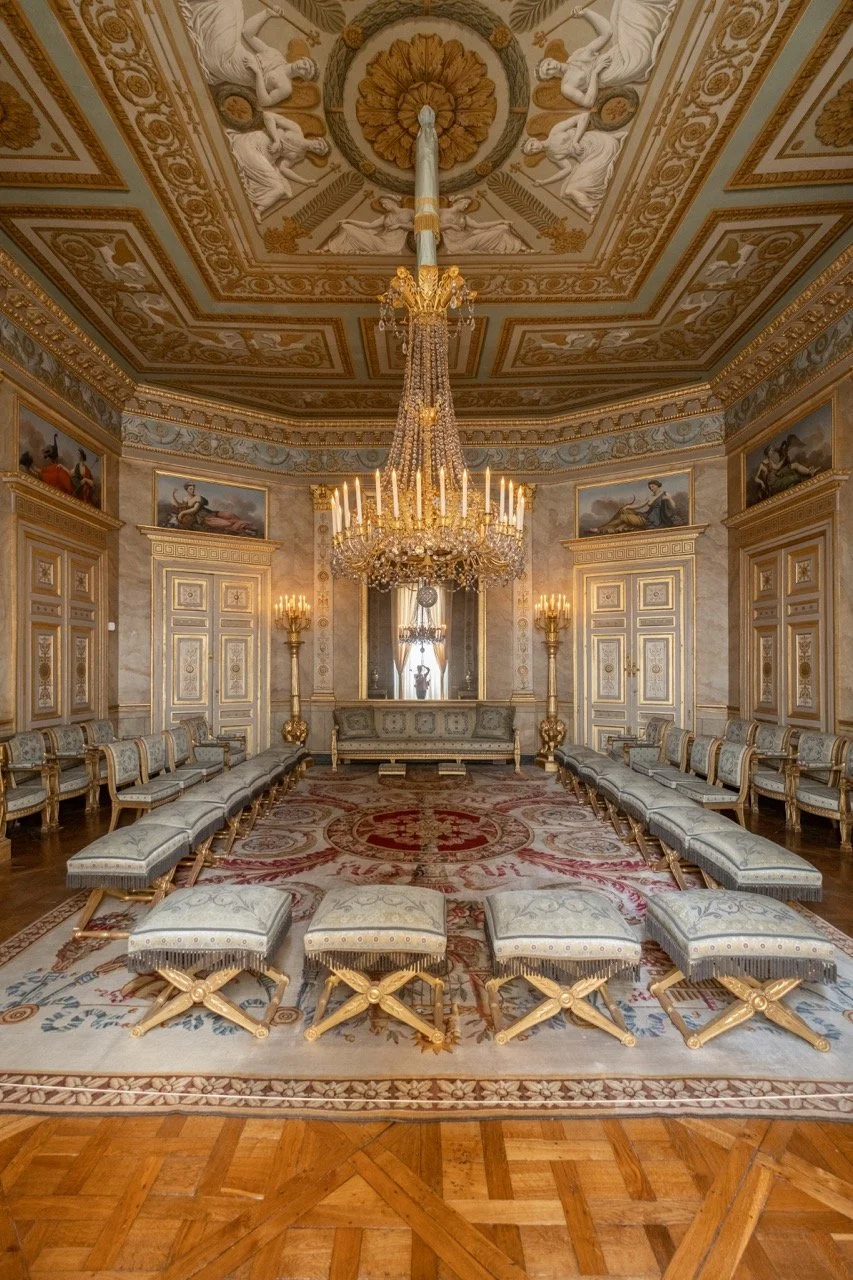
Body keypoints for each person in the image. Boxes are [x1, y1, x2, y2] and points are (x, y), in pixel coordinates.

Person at [535, 0, 676, 111]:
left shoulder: (576, 56)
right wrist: (595, 73)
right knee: (630, 6)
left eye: (547, 64)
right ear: (550, 77)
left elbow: (606, 33)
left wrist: (586, 13)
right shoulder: (566, 86)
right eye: (547, 72)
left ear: (551, 59)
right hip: (617, 70)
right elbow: (588, 102)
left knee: (624, 3)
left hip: (618, 53)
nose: (550, 68)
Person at [180, 0, 317, 108]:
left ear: (304, 78)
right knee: (235, 2)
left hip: (226, 61)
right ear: (301, 59)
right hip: (235, 50)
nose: (303, 67)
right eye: (305, 63)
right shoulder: (277, 56)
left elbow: (265, 101)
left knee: (226, 6)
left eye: (306, 71)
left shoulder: (286, 87)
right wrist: (267, 14)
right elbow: (248, 33)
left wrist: (258, 73)